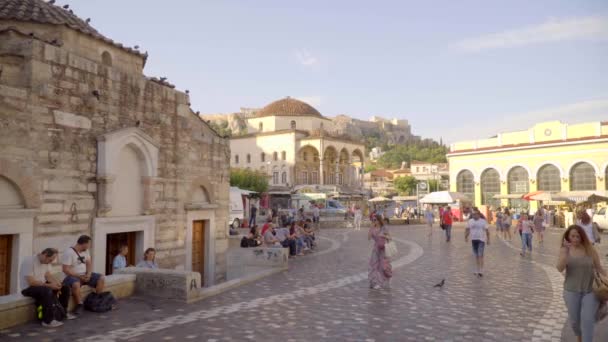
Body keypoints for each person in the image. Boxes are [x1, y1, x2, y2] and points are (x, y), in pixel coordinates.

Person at [557, 225, 607, 342]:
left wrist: (606, 278)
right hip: (571, 291)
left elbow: (599, 268)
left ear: (582, 237)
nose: (575, 239)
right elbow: (560, 268)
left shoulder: (590, 249)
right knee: (575, 321)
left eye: (578, 236)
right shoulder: (565, 250)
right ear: (568, 237)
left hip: (591, 291)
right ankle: (580, 336)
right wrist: (565, 253)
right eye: (573, 236)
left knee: (587, 320)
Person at [21, 248, 76, 327]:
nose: (51, 262)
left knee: (65, 288)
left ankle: (63, 312)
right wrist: (50, 285)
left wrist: (57, 283)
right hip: (28, 288)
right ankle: (48, 321)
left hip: (41, 285)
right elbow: (31, 282)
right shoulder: (29, 261)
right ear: (45, 255)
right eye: (50, 260)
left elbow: (48, 275)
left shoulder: (46, 262)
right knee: (47, 290)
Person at [62, 235, 105, 316]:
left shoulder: (86, 251)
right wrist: (79, 276)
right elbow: (65, 269)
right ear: (84, 244)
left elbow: (89, 263)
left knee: (101, 278)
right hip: (72, 276)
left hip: (84, 274)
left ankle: (96, 300)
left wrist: (88, 274)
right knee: (76, 284)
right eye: (88, 244)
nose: (89, 246)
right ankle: (79, 304)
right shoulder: (69, 252)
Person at [368, 216, 392, 289]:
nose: (374, 221)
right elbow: (369, 238)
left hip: (383, 249)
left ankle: (385, 279)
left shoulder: (384, 228)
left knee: (383, 266)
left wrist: (384, 236)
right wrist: (371, 228)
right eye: (372, 220)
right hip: (376, 249)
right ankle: (374, 282)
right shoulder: (373, 228)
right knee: (374, 266)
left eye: (375, 220)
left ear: (379, 220)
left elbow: (390, 238)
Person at [465, 210, 490, 277]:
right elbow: (467, 229)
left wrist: (488, 239)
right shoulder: (470, 221)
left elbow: (487, 230)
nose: (474, 215)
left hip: (481, 240)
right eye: (473, 214)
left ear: (479, 214)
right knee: (476, 255)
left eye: (476, 214)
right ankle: (477, 269)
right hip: (473, 240)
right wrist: (466, 237)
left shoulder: (483, 221)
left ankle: (481, 270)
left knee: (480, 255)